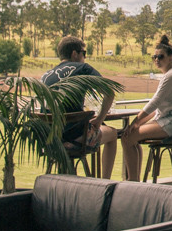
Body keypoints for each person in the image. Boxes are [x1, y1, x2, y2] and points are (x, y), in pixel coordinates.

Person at [119, 35, 172, 181]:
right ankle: (134, 180)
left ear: (170, 57)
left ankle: (133, 181)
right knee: (131, 137)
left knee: (127, 137)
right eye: (154, 57)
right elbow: (157, 108)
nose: (157, 59)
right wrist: (138, 122)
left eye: (160, 56)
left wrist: (135, 122)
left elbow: (154, 103)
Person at [42, 35, 117, 179]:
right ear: (75, 54)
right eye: (84, 53)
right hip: (76, 139)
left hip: (52, 141)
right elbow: (109, 93)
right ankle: (105, 182)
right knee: (113, 133)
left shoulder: (46, 76)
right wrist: (100, 120)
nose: (84, 57)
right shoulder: (83, 68)